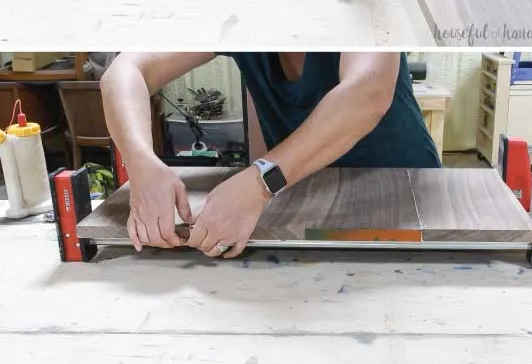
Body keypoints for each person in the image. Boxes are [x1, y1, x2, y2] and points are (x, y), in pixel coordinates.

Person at [101, 52, 440, 259]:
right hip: (304, 202)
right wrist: (142, 162)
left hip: (402, 196)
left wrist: (260, 180)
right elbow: (125, 70)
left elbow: (367, 91)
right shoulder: (237, 15)